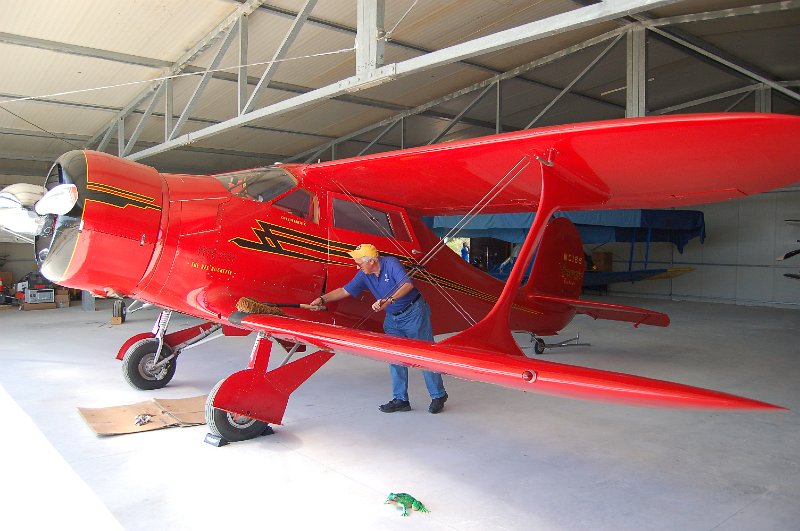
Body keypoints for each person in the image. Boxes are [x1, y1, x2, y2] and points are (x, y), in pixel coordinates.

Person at [310, 243, 448, 414]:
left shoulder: (391, 263)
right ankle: (401, 399)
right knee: (394, 357)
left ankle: (438, 395)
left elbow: (407, 285)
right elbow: (345, 290)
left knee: (424, 353)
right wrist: (322, 299)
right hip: (392, 317)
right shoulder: (364, 274)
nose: (357, 265)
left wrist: (388, 300)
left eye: (359, 262)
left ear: (372, 261)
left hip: (413, 312)